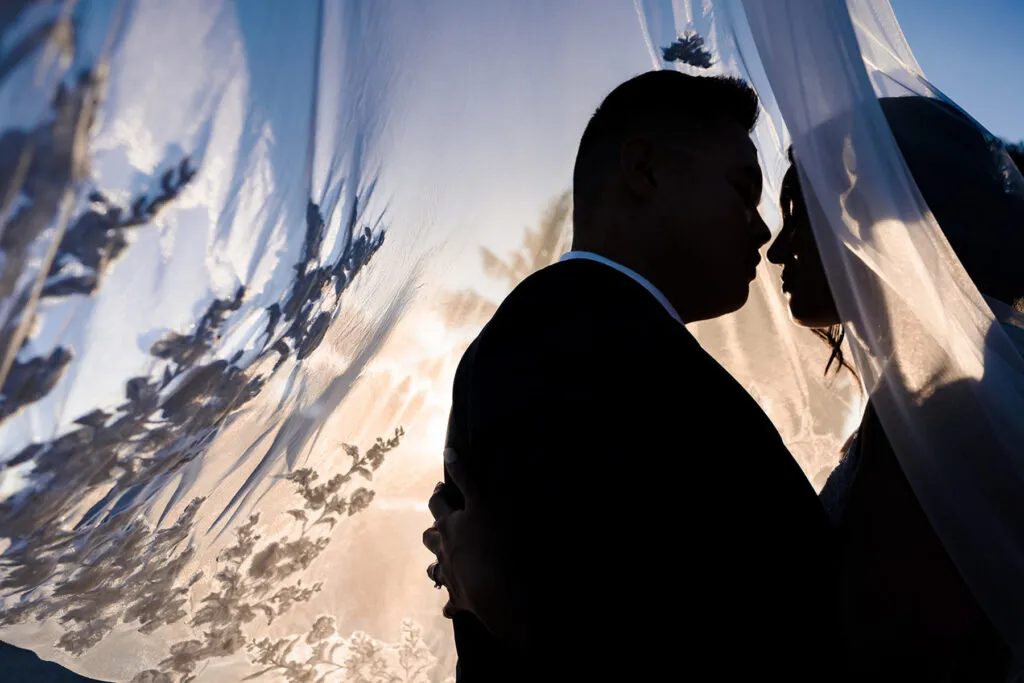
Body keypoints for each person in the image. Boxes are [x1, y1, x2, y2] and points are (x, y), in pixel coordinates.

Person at [422, 70, 838, 682]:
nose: (762, 229)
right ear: (644, 170)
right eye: (741, 190)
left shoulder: (602, 334)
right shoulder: (566, 345)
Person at [767, 95, 1024, 681]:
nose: (778, 250)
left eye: (800, 215)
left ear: (879, 231)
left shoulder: (942, 426)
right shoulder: (951, 393)